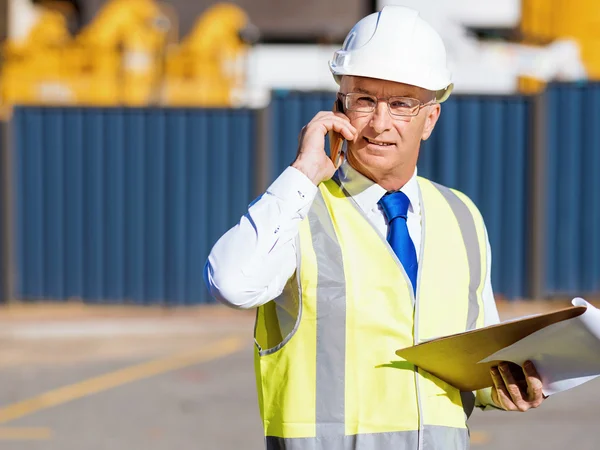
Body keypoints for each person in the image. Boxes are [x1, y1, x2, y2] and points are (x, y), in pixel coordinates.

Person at [204, 6, 545, 449]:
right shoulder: (297, 209)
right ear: (339, 107)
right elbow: (232, 284)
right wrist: (304, 171)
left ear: (431, 119)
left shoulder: (462, 216)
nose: (379, 123)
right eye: (364, 99)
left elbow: (473, 360)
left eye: (402, 104)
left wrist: (504, 385)